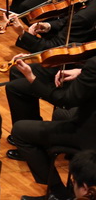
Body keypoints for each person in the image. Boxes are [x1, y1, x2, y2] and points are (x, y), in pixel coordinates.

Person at [4, 0, 96, 136]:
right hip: (85, 53)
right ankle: (29, 129)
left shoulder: (86, 14)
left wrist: (22, 34)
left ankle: (29, 135)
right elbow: (67, 20)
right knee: (18, 73)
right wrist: (48, 25)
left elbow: (52, 50)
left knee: (18, 72)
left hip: (77, 63)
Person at [11, 55, 96, 200]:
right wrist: (81, 72)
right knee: (60, 114)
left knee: (20, 130)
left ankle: (58, 194)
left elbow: (65, 100)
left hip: (90, 133)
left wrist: (32, 78)